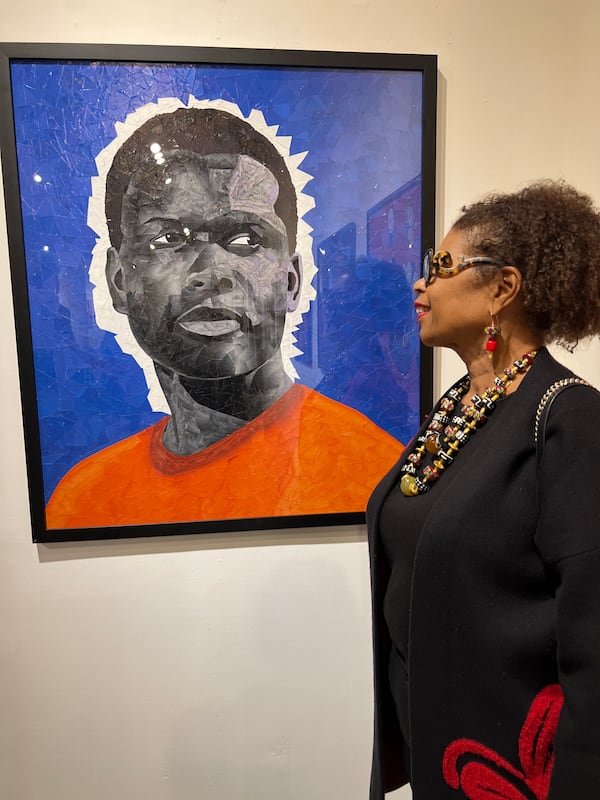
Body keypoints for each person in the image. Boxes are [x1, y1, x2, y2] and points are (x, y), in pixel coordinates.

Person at [46, 106, 403, 529]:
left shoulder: (373, 474)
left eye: (246, 239)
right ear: (120, 281)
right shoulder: (83, 500)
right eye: (168, 239)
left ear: (291, 281)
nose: (211, 274)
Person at [367, 179, 600, 799]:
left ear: (502, 288)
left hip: (512, 769)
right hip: (438, 749)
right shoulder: (457, 407)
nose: (421, 284)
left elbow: (594, 641)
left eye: (440, 267)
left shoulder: (569, 418)